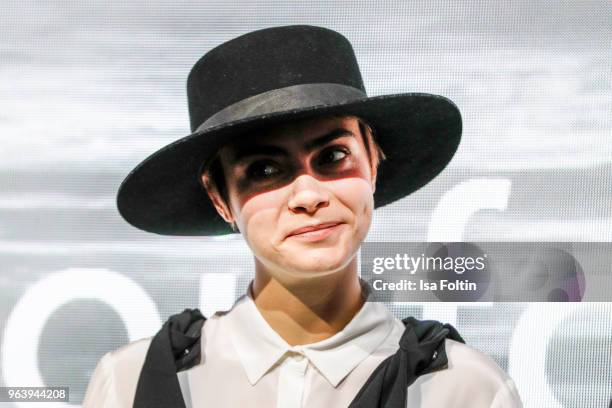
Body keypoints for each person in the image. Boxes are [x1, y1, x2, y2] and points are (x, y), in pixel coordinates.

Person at [83, 25, 522, 407]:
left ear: (374, 161)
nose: (308, 195)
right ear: (220, 197)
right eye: (264, 170)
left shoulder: (466, 389)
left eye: (333, 156)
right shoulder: (128, 381)